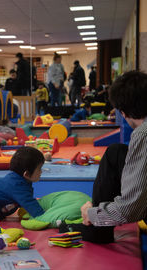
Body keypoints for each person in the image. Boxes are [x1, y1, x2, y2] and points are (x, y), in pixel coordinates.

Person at [60, 70, 147, 243]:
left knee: (114, 152)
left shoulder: (143, 134)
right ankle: (99, 228)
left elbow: (130, 210)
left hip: (125, 210)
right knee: (116, 152)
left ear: (123, 112)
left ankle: (97, 230)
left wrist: (92, 214)